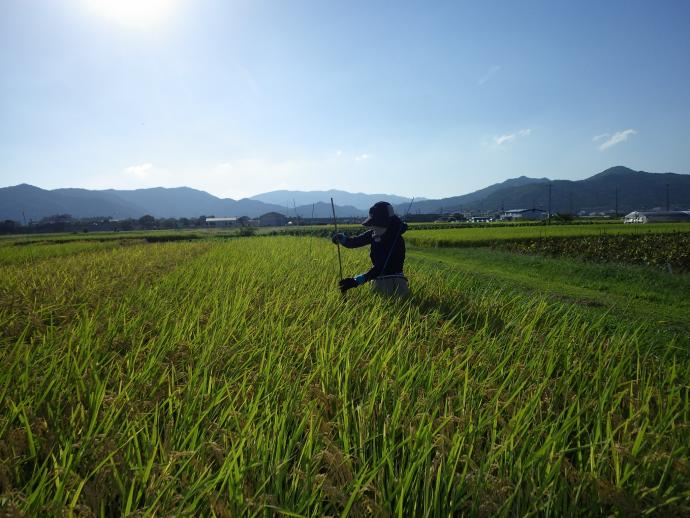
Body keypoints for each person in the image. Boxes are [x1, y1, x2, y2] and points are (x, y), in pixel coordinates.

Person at [332, 201, 410, 297]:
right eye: (372, 224)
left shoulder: (396, 241)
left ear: (388, 224)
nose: (373, 227)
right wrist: (342, 239)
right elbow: (355, 242)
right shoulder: (373, 234)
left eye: (376, 224)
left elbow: (381, 268)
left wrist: (356, 281)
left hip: (395, 284)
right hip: (377, 282)